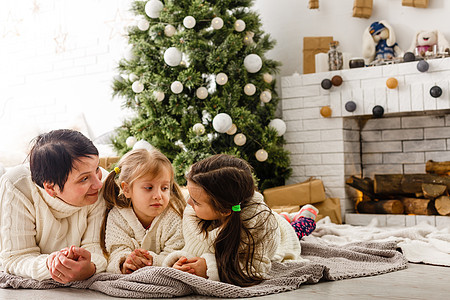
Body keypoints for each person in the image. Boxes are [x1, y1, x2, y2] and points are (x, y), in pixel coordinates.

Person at [163, 154, 306, 287]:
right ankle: (289, 215)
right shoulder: (194, 211)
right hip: (232, 218)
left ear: (224, 210)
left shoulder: (263, 225)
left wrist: (210, 268)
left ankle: (303, 216)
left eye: (196, 201)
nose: (188, 202)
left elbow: (256, 268)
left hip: (282, 233)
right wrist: (181, 263)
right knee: (283, 216)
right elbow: (193, 248)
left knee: (299, 228)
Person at [0, 129, 107, 283]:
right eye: (84, 179)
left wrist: (90, 268)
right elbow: (15, 257)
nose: (98, 183)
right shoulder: (17, 186)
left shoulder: (100, 186)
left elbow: (97, 248)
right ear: (50, 188)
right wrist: (51, 264)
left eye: (97, 168)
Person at [101, 148, 186, 274]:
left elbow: (177, 255)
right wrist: (126, 263)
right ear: (127, 189)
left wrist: (152, 261)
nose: (158, 195)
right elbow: (116, 253)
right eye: (148, 188)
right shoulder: (117, 216)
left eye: (164, 188)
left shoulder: (174, 216)